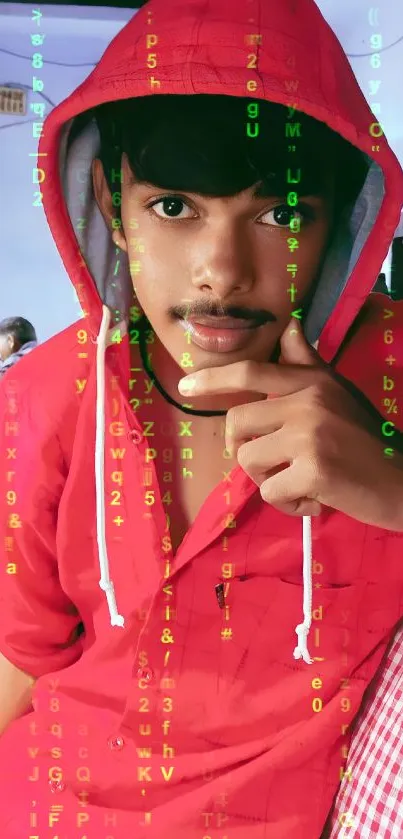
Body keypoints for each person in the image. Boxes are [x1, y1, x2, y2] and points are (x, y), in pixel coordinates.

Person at [0, 0, 402, 837]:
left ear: (340, 225)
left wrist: (393, 487)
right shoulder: (44, 395)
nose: (220, 272)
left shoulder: (394, 374)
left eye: (280, 214)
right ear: (113, 207)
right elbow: (21, 657)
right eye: (173, 209)